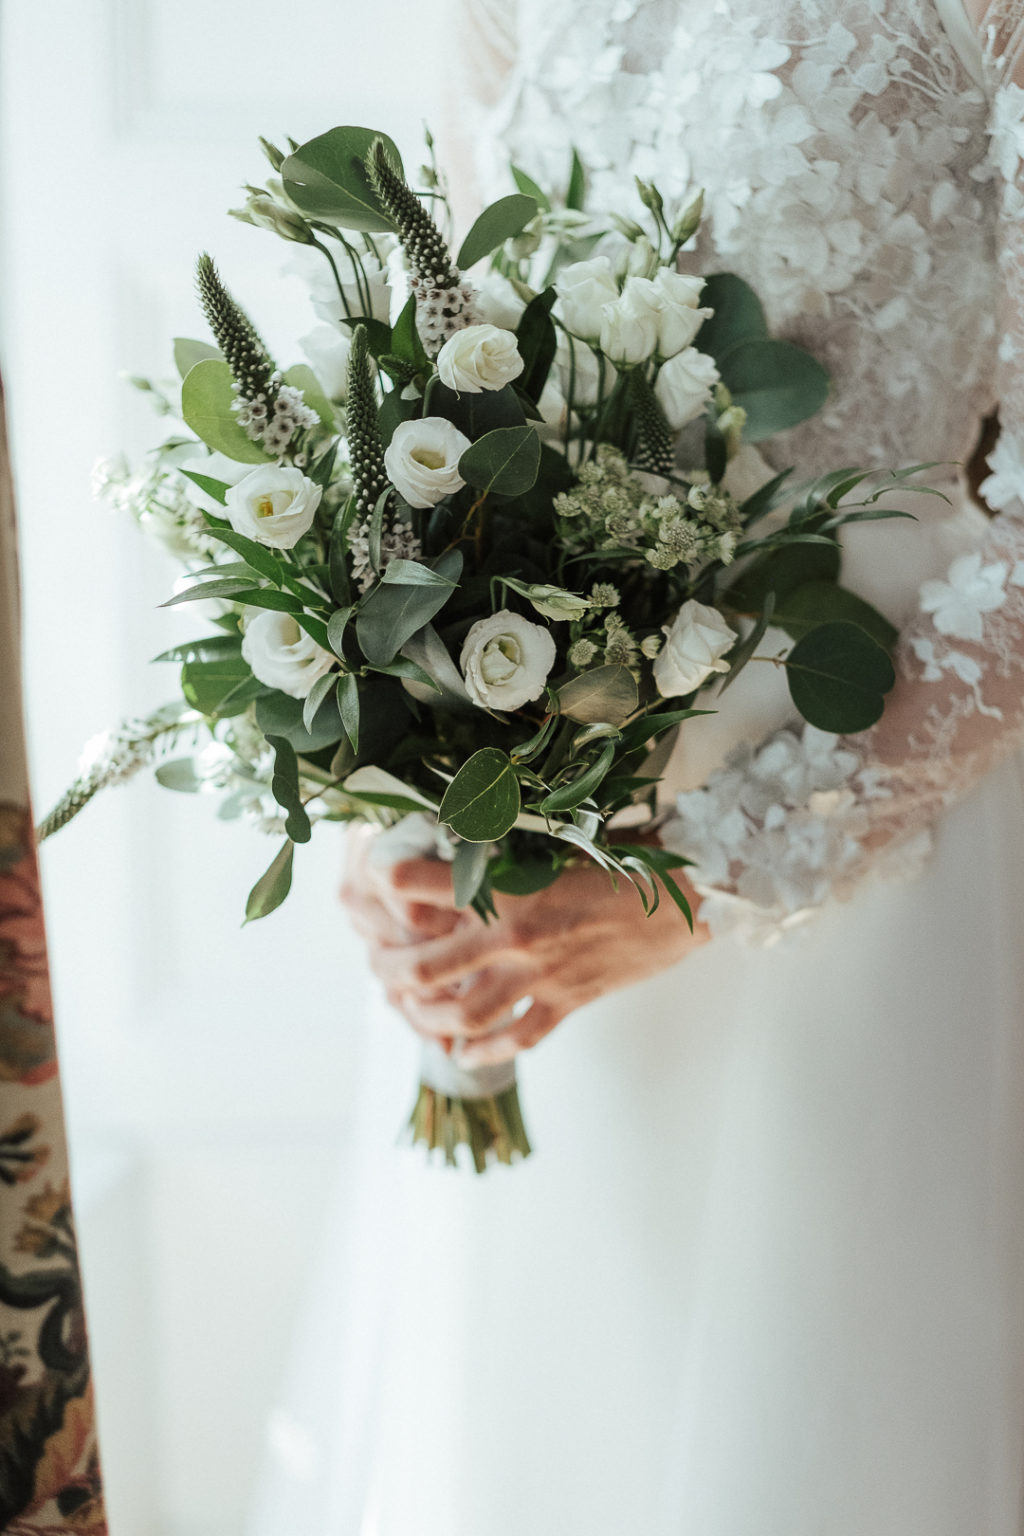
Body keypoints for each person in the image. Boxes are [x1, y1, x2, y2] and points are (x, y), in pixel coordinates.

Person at [251, 3, 1024, 1531]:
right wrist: (378, 776)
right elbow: (443, 393)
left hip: (880, 772)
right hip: (534, 795)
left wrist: (725, 874)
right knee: (536, 1403)